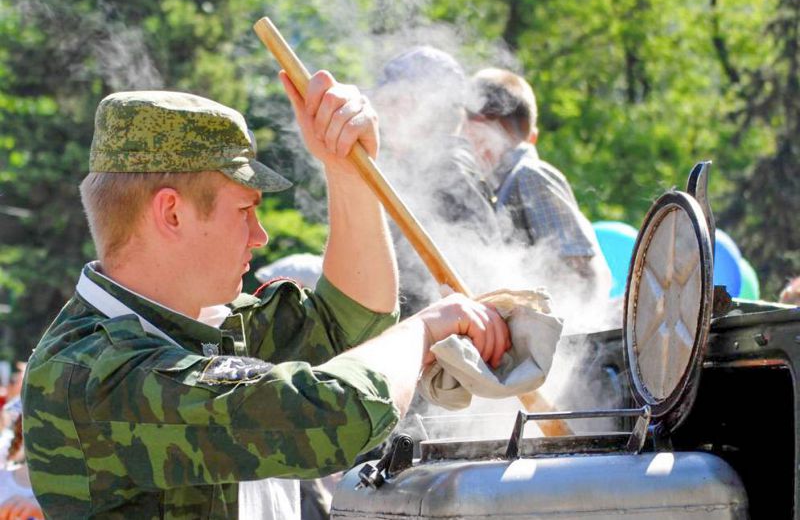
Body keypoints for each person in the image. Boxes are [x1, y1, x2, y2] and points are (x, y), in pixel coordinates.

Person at [22, 71, 510, 518]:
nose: (260, 236)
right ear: (172, 213)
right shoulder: (95, 371)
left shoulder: (204, 324)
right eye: (245, 210)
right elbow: (327, 418)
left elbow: (352, 325)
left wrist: (346, 169)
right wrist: (427, 329)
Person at [370, 46, 501, 317]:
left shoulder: (449, 170)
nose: (382, 114)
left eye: (395, 101)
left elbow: (474, 276)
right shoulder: (421, 169)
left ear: (429, 106)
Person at [462, 68, 611, 302]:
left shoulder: (530, 177)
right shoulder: (503, 183)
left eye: (465, 128)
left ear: (478, 126)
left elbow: (581, 276)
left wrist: (570, 333)